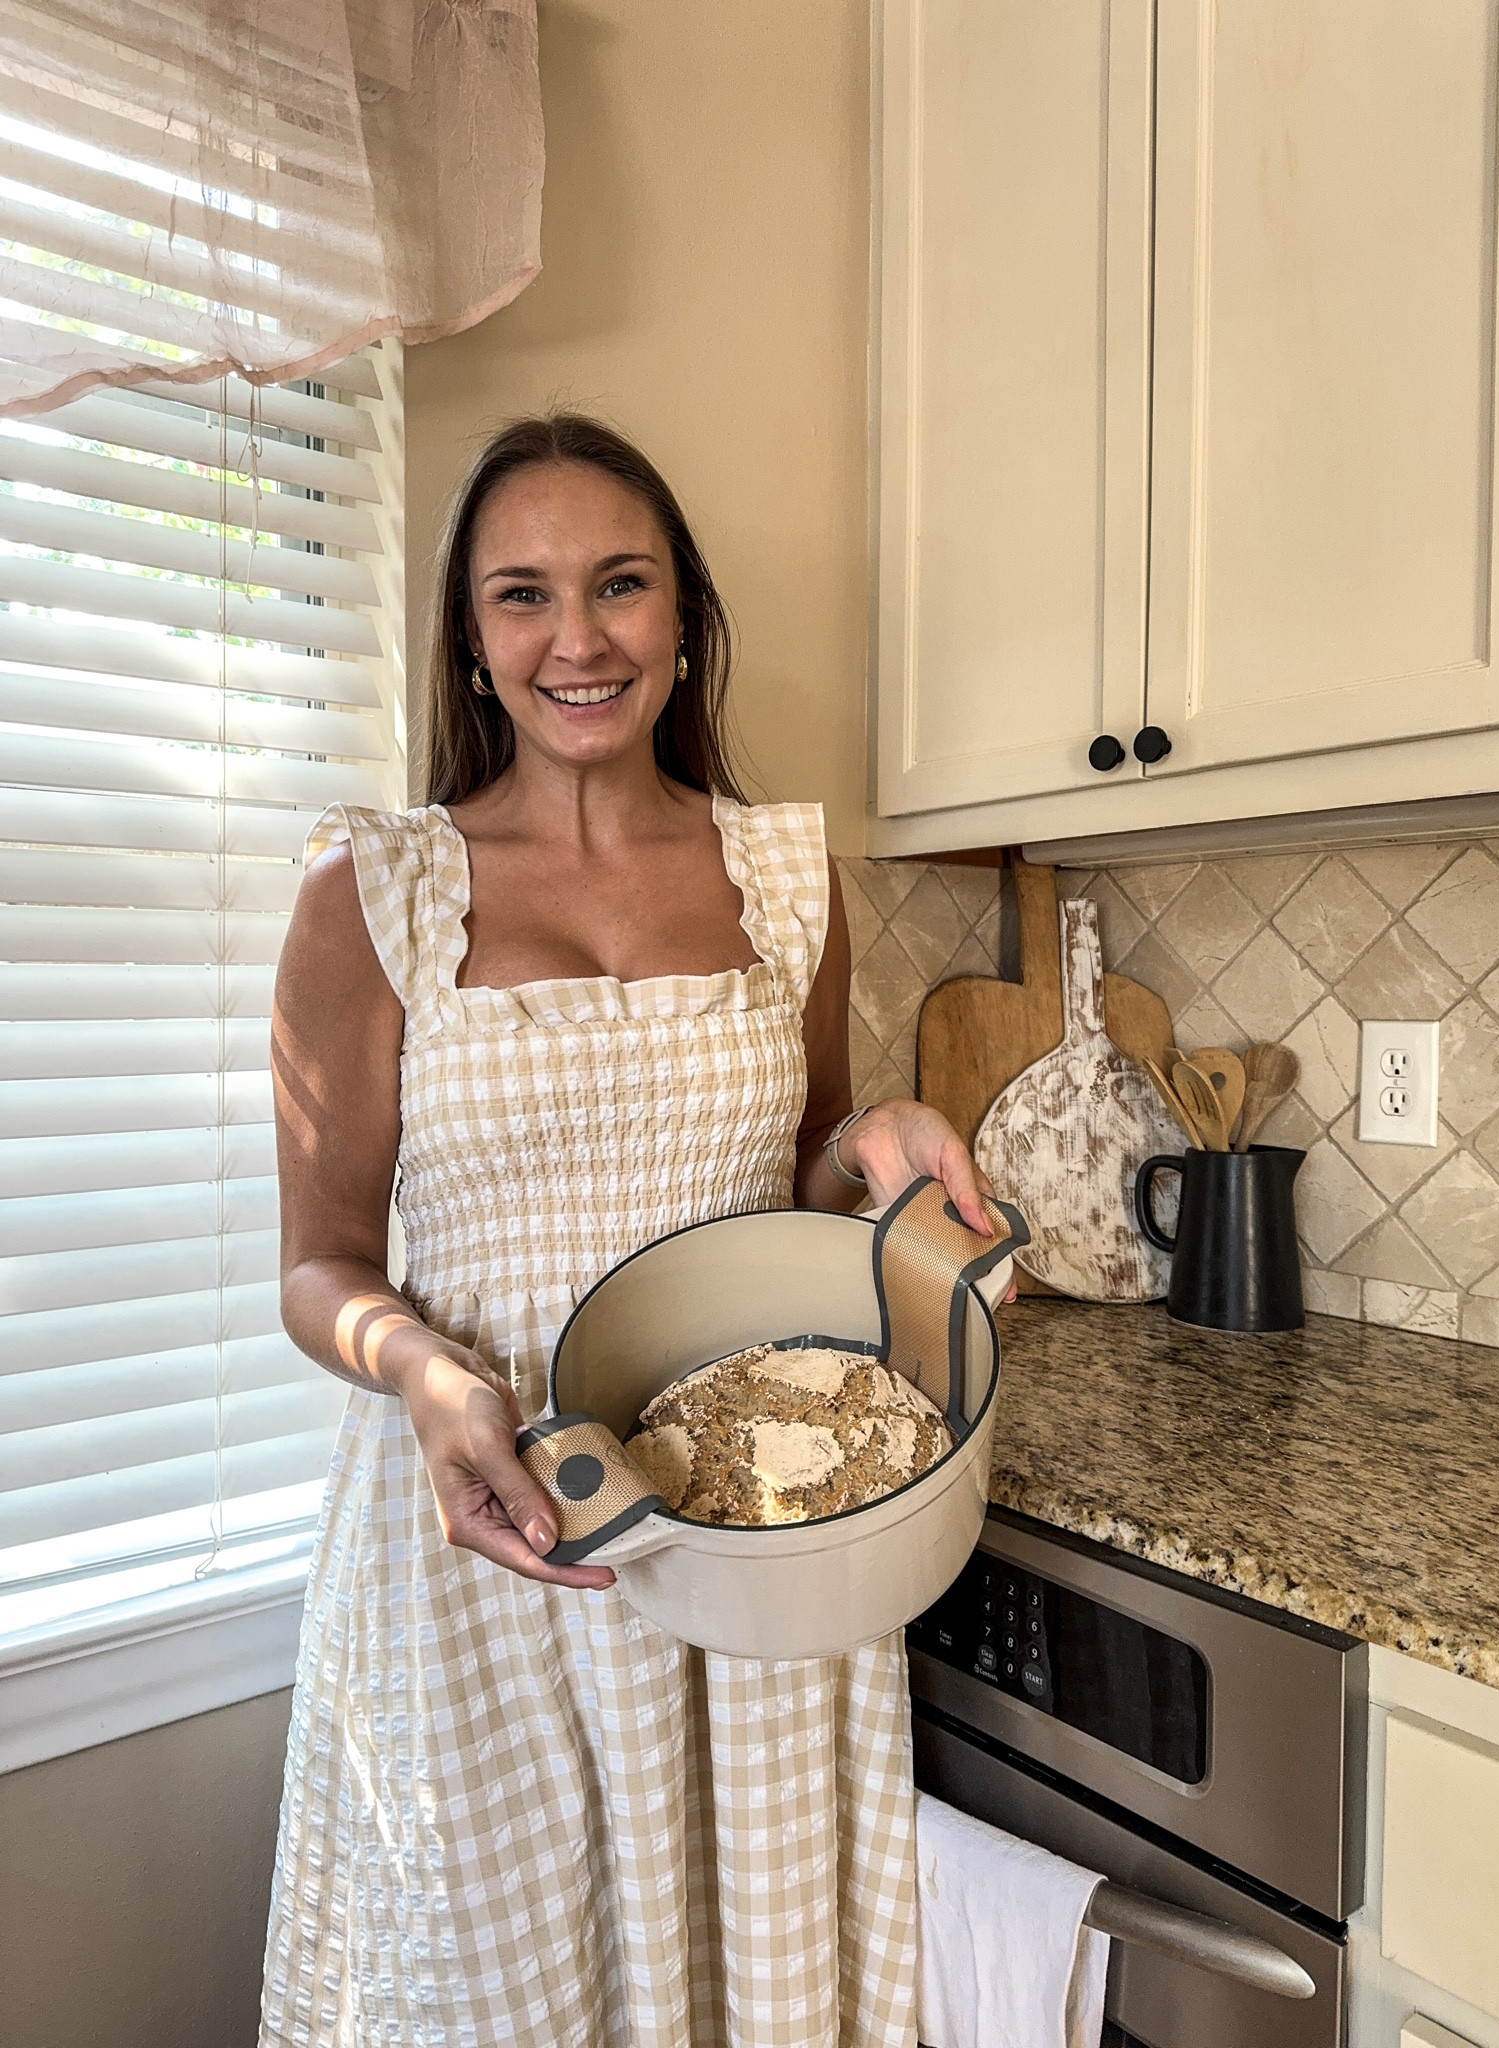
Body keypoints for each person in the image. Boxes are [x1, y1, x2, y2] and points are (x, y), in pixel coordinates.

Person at [261, 414, 997, 2048]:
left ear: (682, 620)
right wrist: (432, 1382)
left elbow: (802, 1177)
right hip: (489, 1540)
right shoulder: (369, 890)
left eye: (620, 587)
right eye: (522, 596)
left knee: (753, 1984)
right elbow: (318, 1266)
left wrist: (870, 1144)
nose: (576, 639)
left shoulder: (788, 879)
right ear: (470, 635)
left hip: (751, 1550)